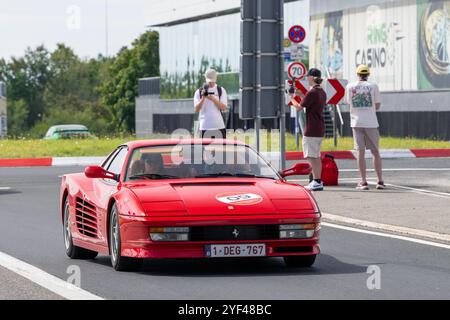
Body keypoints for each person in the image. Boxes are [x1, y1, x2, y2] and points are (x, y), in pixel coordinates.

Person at [345, 64, 385, 190]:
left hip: (356, 123)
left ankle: (363, 181)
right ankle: (380, 181)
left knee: (360, 152)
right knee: (375, 152)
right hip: (371, 122)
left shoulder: (350, 86)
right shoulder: (373, 86)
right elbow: (377, 105)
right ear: (368, 75)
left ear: (357, 74)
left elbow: (348, 104)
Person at [291, 68, 327, 191]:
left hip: (311, 128)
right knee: (316, 156)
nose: (307, 79)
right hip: (319, 127)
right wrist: (301, 94)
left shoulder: (312, 93)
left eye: (308, 77)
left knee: (311, 156)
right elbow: (309, 102)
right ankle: (317, 181)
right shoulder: (321, 92)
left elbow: (299, 108)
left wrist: (291, 98)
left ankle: (316, 181)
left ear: (311, 77)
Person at [194, 68, 228, 139]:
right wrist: (203, 98)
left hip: (219, 127)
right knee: (204, 150)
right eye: (209, 81)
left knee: (221, 150)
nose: (211, 83)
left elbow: (224, 108)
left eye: (212, 81)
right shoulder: (199, 92)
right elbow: (196, 109)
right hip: (204, 127)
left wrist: (212, 98)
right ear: (205, 79)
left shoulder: (221, 90)